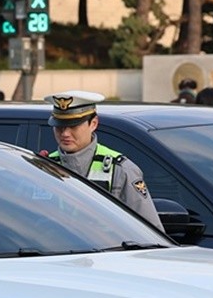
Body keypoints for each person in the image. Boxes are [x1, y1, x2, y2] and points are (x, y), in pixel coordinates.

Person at [42, 90, 163, 229]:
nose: (65, 133)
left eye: (73, 126)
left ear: (93, 123)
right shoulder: (44, 166)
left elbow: (151, 231)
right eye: (59, 126)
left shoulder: (120, 169)